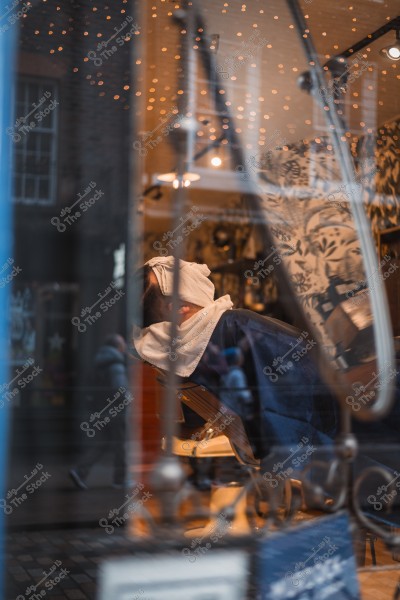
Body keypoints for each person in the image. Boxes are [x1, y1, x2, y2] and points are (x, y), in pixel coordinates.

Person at [132, 257, 338, 463]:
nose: (195, 269)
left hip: (277, 453)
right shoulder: (236, 327)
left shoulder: (165, 354)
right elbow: (324, 382)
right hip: (331, 444)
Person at [70, 334, 130, 490]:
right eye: (123, 344)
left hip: (101, 409)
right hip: (116, 411)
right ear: (118, 346)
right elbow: (120, 390)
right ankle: (120, 480)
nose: (125, 347)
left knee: (102, 443)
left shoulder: (99, 361)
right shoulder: (116, 364)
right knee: (120, 445)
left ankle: (79, 471)